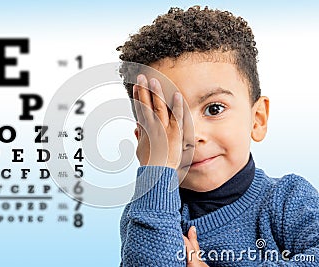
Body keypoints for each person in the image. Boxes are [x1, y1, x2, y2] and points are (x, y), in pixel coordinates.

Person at [116, 5, 319, 266]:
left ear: (257, 119)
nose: (193, 135)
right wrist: (156, 172)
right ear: (144, 142)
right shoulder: (148, 212)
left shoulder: (288, 199)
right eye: (168, 122)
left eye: (214, 109)